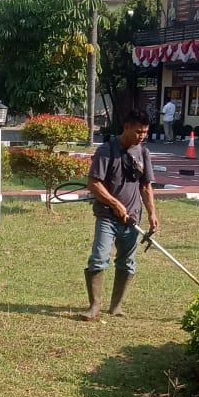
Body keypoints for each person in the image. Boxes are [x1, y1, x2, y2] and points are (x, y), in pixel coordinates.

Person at [82, 107, 159, 321]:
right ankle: (94, 306)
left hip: (132, 219)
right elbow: (94, 183)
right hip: (107, 217)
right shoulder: (106, 150)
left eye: (145, 132)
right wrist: (115, 203)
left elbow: (146, 186)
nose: (141, 136)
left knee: (127, 263)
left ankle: (116, 306)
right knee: (98, 259)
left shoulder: (143, 153)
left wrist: (152, 214)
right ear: (126, 127)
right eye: (138, 131)